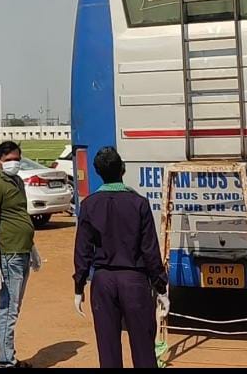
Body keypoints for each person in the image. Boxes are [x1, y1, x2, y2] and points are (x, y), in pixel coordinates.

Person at [73, 147, 167, 368]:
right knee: (144, 347)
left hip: (103, 281)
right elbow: (150, 250)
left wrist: (79, 286)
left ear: (97, 172)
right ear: (122, 169)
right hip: (134, 280)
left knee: (108, 350)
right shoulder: (139, 203)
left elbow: (82, 251)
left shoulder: (89, 205)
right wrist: (161, 287)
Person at [0, 141, 42, 368]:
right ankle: (6, 361)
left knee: (14, 307)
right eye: (8, 160)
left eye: (16, 159)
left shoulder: (17, 182)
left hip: (22, 250)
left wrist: (32, 246)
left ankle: (9, 357)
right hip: (8, 254)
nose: (13, 163)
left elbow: (20, 215)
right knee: (8, 309)